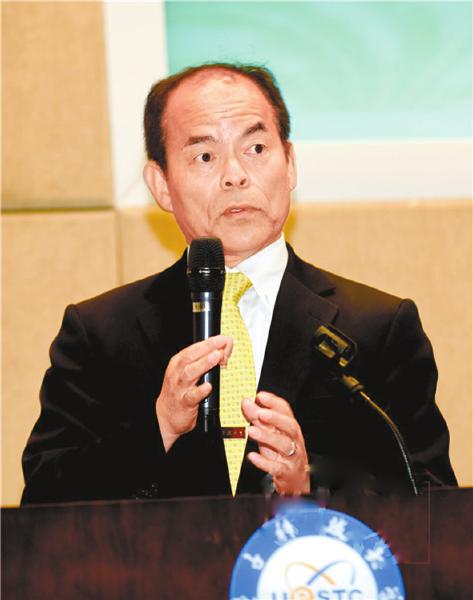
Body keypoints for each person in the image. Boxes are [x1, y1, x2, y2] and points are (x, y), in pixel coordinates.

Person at [21, 63, 457, 504]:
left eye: (256, 148)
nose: (235, 175)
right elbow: (42, 505)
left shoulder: (377, 329)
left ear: (290, 164)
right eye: (205, 156)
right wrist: (159, 427)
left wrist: (311, 489)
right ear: (162, 185)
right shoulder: (99, 333)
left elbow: (433, 514)